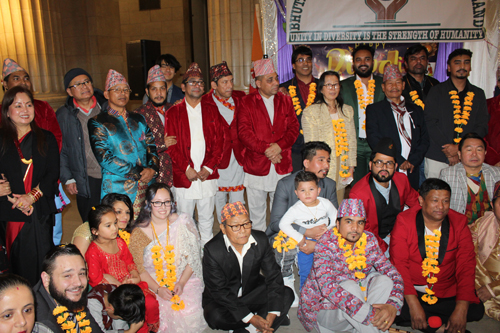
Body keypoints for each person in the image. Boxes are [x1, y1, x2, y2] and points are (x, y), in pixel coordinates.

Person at [390, 179, 484, 333]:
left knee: (475, 310)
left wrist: (461, 307)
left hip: (444, 290)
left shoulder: (459, 223)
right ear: (421, 200)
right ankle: (439, 327)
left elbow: (466, 265)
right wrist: (413, 304)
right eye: (435, 201)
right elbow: (399, 264)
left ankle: (428, 323)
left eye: (446, 201)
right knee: (390, 305)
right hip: (413, 290)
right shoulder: (404, 221)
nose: (441, 207)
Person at [298, 199, 404, 333]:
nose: (355, 228)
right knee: (349, 286)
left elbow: (393, 273)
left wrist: (393, 305)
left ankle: (366, 328)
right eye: (349, 221)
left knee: (385, 281)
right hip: (326, 312)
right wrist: (370, 314)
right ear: (337, 224)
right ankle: (375, 328)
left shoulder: (369, 240)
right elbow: (327, 287)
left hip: (360, 304)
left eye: (360, 222)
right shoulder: (325, 243)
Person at [203, 201, 294, 333]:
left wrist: (273, 313)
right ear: (223, 228)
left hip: (252, 292)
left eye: (246, 224)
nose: (243, 231)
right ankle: (255, 324)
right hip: (225, 299)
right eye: (235, 226)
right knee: (214, 316)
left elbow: (273, 275)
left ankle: (255, 325)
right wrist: (251, 318)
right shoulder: (212, 250)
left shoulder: (260, 240)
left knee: (286, 294)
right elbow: (219, 291)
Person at [266, 141, 338, 306]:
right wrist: (306, 232)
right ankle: (287, 280)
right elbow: (276, 223)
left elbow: (336, 220)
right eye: (321, 160)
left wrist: (320, 240)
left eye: (328, 161)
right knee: (283, 243)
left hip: (320, 233)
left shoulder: (329, 185)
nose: (326, 165)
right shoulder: (286, 184)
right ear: (306, 163)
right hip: (289, 233)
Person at [0, 86, 60, 286]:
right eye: (18, 106)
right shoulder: (1, 139)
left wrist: (31, 196)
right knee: (17, 264)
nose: (25, 110)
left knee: (44, 262)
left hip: (39, 210)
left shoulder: (46, 138)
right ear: (7, 111)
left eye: (28, 104)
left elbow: (52, 174)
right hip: (10, 213)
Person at [129, 183, 207, 332]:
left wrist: (182, 283)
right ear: (148, 204)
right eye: (157, 203)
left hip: (184, 278)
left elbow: (194, 257)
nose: (163, 207)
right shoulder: (139, 232)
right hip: (153, 281)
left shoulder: (182, 222)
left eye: (167, 202)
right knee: (161, 317)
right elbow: (139, 269)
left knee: (191, 315)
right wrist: (158, 289)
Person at [165, 62, 225, 245]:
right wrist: (186, 168)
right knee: (184, 223)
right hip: (185, 178)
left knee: (207, 222)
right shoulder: (173, 112)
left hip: (208, 176)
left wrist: (208, 166)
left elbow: (220, 142)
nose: (197, 85)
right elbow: (171, 147)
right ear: (183, 87)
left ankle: (207, 263)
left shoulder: (212, 110)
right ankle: (187, 264)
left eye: (200, 82)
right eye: (192, 82)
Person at [237, 58, 300, 231]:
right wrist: (268, 150)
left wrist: (278, 147)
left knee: (280, 212)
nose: (276, 83)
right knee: (256, 214)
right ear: (258, 83)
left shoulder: (285, 100)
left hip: (281, 163)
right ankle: (259, 248)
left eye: (276, 78)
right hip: (257, 165)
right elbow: (244, 133)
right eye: (270, 80)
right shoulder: (247, 102)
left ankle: (279, 248)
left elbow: (294, 129)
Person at [88, 69, 159, 218]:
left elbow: (151, 146)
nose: (123, 93)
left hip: (146, 184)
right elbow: (104, 157)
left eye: (126, 90)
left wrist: (152, 168)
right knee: (119, 231)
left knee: (145, 229)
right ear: (106, 94)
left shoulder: (138, 118)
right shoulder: (98, 121)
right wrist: (138, 172)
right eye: (117, 90)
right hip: (118, 187)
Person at [84, 205, 159, 332]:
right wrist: (117, 284)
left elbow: (130, 262)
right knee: (135, 310)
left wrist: (135, 276)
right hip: (115, 293)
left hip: (130, 283)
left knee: (151, 302)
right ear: (95, 231)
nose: (115, 228)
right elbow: (96, 281)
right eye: (108, 226)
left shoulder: (120, 242)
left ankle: (153, 327)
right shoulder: (93, 252)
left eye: (115, 223)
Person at [424, 48, 489, 178]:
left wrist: (459, 148)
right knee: (435, 195)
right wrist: (450, 150)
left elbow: (482, 126)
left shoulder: (478, 94)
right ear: (449, 67)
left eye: (466, 62)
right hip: (438, 155)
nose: (462, 66)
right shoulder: (437, 91)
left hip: (468, 156)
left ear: (470, 67)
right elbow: (430, 122)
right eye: (457, 63)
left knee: (464, 196)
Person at [349, 137, 419, 253]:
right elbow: (363, 230)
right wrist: (388, 250)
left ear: (395, 167)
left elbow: (417, 204)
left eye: (389, 163)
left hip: (398, 234)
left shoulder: (402, 180)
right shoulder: (358, 193)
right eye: (379, 163)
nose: (384, 168)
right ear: (371, 165)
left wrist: (405, 229)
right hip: (373, 241)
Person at [366, 64, 430, 190]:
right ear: (383, 87)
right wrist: (398, 161)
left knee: (410, 201)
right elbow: (374, 139)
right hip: (388, 166)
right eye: (390, 83)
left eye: (398, 82)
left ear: (403, 85)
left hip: (412, 167)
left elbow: (425, 138)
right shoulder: (375, 110)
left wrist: (413, 161)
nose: (394, 87)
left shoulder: (415, 110)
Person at [57, 68, 107, 223]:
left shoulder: (105, 107)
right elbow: (61, 149)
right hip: (85, 177)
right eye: (78, 84)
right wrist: (68, 178)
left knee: (114, 220)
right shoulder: (64, 115)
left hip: (110, 174)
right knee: (91, 222)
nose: (84, 87)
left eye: (87, 82)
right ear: (69, 92)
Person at [202, 61, 247, 223]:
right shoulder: (204, 102)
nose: (230, 86)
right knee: (219, 201)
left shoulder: (241, 97)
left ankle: (238, 229)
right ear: (214, 84)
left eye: (231, 81)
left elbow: (259, 99)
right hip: (217, 160)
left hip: (238, 158)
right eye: (224, 82)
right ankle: (223, 233)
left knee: (238, 201)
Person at [302, 70, 357, 200]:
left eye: (336, 84)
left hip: (342, 164)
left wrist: (351, 166)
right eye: (328, 85)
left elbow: (352, 141)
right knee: (321, 200)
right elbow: (311, 146)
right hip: (321, 165)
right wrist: (318, 167)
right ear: (321, 88)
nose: (333, 88)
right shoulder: (311, 112)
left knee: (337, 201)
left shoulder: (347, 110)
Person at [278, 170, 337, 289]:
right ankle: (306, 296)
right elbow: (283, 224)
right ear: (296, 193)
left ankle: (326, 290)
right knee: (306, 270)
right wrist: (299, 238)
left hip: (326, 239)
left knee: (327, 268)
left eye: (311, 189)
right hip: (306, 243)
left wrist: (328, 231)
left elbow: (336, 218)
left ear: (318, 190)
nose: (307, 193)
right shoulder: (296, 209)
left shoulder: (325, 203)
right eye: (302, 190)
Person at [341, 45, 385, 184]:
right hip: (354, 145)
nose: (363, 63)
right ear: (353, 63)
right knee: (358, 186)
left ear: (373, 62)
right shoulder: (344, 86)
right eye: (358, 60)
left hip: (378, 144)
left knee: (378, 185)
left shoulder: (384, 84)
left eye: (367, 59)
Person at [34, 244, 103, 333]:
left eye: (81, 273)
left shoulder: (71, 295)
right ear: (46, 279)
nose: (78, 283)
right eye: (67, 276)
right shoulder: (38, 320)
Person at [439, 132, 500, 225]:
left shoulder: (496, 173)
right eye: (469, 150)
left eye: (479, 150)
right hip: (459, 227)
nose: (474, 154)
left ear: (485, 153)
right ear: (459, 154)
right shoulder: (447, 174)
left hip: (489, 228)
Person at [1, 58, 62, 150]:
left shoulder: (42, 107)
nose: (23, 82)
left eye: (26, 78)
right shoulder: (2, 110)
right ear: (5, 84)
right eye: (16, 79)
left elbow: (56, 137)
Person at [279, 45, 318, 172]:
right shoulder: (283, 89)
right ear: (293, 66)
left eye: (308, 59)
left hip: (317, 147)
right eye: (300, 60)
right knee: (295, 186)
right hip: (293, 148)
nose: (305, 63)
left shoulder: (323, 87)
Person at [135, 65, 174, 187]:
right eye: (154, 89)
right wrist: (163, 144)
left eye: (162, 89)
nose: (159, 93)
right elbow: (137, 147)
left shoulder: (174, 109)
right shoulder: (138, 115)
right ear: (147, 91)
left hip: (177, 174)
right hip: (154, 176)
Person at [470, 180, 500, 321]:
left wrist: (492, 289)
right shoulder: (483, 224)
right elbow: (466, 249)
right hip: (480, 284)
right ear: (493, 206)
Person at [485, 94, 500, 166]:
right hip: (489, 165)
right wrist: (494, 160)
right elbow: (479, 134)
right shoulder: (486, 105)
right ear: (498, 84)